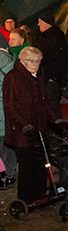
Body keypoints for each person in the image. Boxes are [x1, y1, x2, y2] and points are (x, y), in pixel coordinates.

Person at [2, 46, 64, 203]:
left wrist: (55, 120)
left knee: (40, 165)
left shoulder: (38, 77)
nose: (35, 64)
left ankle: (39, 196)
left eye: (38, 61)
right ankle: (25, 199)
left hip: (39, 129)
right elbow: (10, 107)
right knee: (27, 167)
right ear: (22, 61)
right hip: (22, 133)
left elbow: (45, 103)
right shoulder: (13, 78)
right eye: (32, 61)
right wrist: (23, 125)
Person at [34, 12, 68, 118]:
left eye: (40, 22)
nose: (38, 24)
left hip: (50, 79)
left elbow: (58, 59)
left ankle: (56, 131)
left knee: (52, 108)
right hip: (48, 78)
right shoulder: (49, 36)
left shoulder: (52, 38)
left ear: (45, 22)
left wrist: (52, 78)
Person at [0, 46, 17, 189]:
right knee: (11, 143)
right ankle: (10, 174)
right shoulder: (13, 63)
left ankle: (1, 173)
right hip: (8, 110)